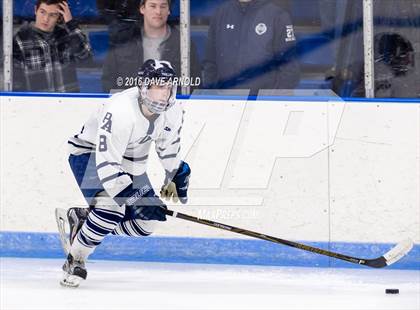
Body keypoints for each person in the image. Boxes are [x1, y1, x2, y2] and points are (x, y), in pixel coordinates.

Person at [59, 59, 191, 287]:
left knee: (146, 223)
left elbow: (168, 146)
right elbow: (108, 165)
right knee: (111, 208)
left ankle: (86, 223)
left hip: (131, 161)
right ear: (143, 87)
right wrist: (133, 198)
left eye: (168, 87)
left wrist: (176, 170)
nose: (164, 94)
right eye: (158, 86)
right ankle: (76, 257)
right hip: (89, 155)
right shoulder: (119, 110)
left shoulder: (173, 110)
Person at [203, 0, 300, 96]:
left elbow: (289, 67)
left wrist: (273, 101)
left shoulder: (277, 15)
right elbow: (210, 62)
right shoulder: (220, 14)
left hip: (264, 104)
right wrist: (212, 94)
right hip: (226, 101)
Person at [101, 0, 202, 93]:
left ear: (169, 10)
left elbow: (195, 84)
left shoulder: (183, 43)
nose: (158, 11)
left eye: (163, 6)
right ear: (142, 8)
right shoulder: (125, 40)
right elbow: (108, 81)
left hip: (172, 109)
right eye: (153, 6)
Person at [13, 0, 92, 92]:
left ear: (59, 17)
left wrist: (70, 24)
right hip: (38, 104)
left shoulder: (67, 35)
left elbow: (86, 58)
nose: (46, 19)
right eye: (42, 12)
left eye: (52, 15)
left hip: (69, 102)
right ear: (36, 10)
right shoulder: (20, 40)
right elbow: (16, 82)